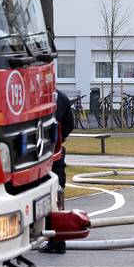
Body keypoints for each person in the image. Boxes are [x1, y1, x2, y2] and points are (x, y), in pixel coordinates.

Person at [41, 89, 75, 254]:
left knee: (45, 201)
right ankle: (57, 241)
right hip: (56, 154)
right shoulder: (62, 97)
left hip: (37, 158)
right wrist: (60, 138)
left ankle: (54, 241)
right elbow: (70, 124)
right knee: (57, 199)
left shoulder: (33, 96)